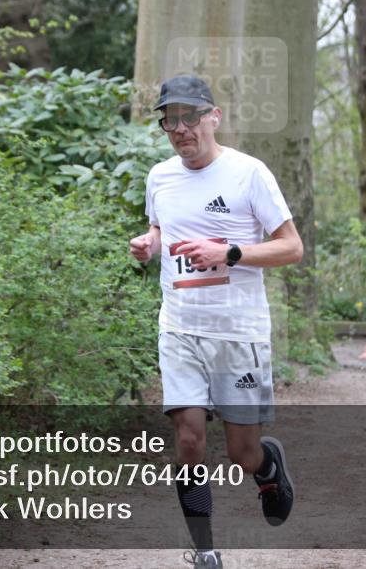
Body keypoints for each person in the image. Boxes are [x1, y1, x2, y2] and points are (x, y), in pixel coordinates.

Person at [129, 75, 303, 569]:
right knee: (188, 438)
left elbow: (292, 247)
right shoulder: (160, 177)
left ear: (214, 117)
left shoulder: (249, 174)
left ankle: (266, 468)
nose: (180, 129)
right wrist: (150, 243)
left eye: (190, 117)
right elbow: (161, 226)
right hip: (179, 327)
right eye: (170, 121)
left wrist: (229, 253)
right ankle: (204, 552)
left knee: (241, 453)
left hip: (237, 332)